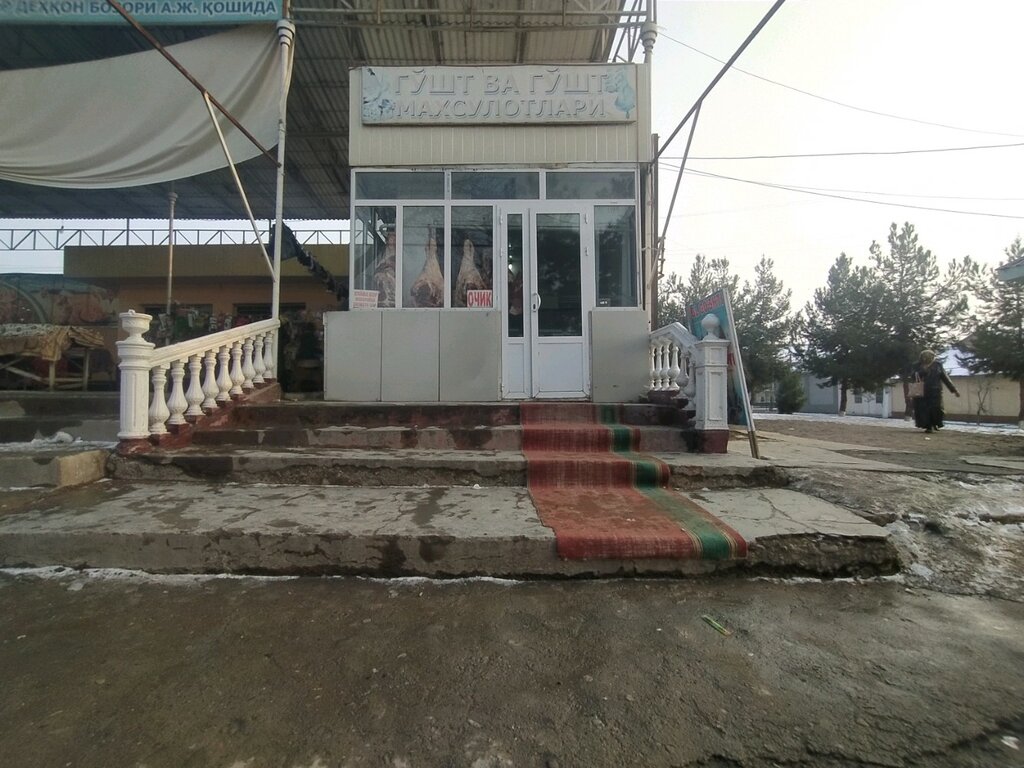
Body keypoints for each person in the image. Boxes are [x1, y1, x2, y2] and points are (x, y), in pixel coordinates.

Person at [912, 349, 959, 433]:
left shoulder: (938, 365)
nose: (926, 358)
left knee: (936, 409)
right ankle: (928, 426)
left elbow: (945, 378)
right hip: (921, 391)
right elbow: (912, 376)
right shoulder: (917, 365)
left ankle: (935, 424)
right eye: (925, 357)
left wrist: (953, 390)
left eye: (929, 357)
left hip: (935, 391)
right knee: (924, 410)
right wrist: (922, 372)